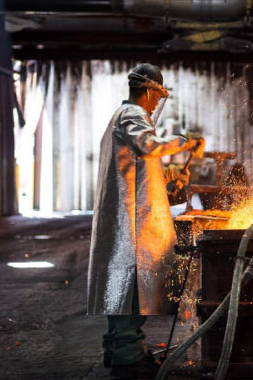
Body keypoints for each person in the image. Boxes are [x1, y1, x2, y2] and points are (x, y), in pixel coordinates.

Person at [87, 63, 202, 379]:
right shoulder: (134, 115)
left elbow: (137, 167)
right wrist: (185, 142)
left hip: (124, 219)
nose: (156, 104)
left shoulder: (119, 117)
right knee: (133, 292)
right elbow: (148, 146)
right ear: (151, 91)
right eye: (157, 96)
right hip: (133, 224)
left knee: (122, 290)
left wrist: (169, 175)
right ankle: (130, 361)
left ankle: (119, 351)